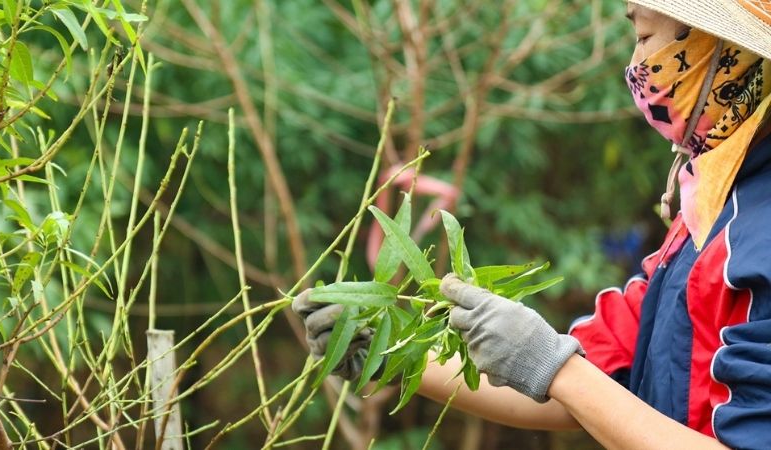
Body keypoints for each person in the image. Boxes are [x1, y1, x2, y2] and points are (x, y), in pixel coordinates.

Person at [293, 1, 771, 448]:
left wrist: (554, 369)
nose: (635, 64)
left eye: (645, 37)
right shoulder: (710, 209)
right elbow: (597, 379)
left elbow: (567, 377)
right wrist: (394, 353)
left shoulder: (759, 236)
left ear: (721, 50)